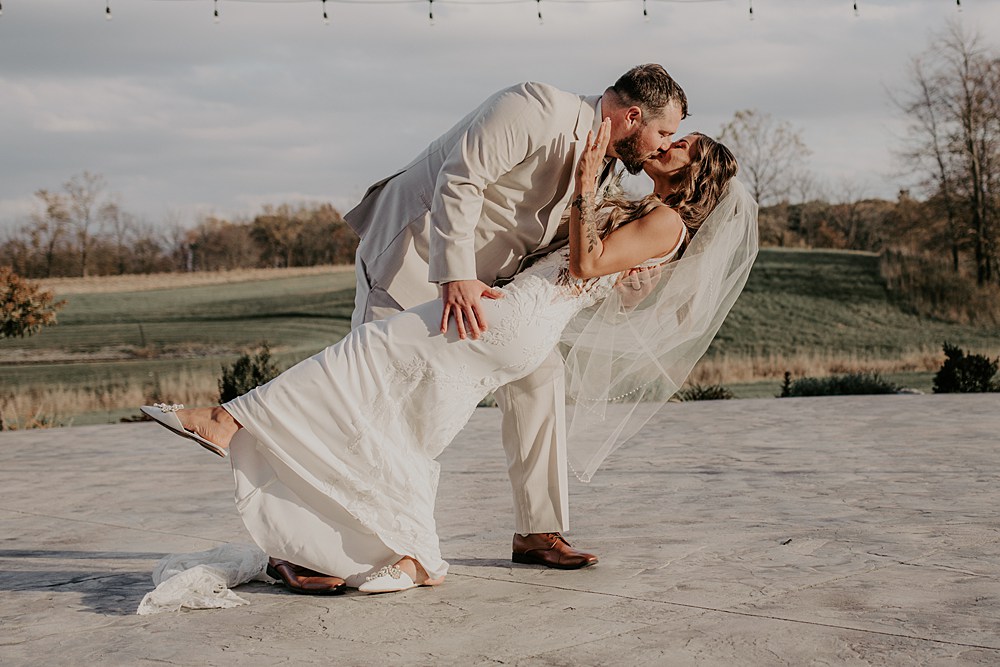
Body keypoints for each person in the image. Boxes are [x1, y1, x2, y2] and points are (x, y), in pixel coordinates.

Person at [143, 127, 759, 595]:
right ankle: (393, 550)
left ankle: (229, 423)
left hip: (518, 318)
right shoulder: (652, 213)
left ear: (697, 174)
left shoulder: (669, 221)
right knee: (409, 421)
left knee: (370, 349)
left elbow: (589, 265)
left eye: (683, 148)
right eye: (672, 137)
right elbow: (605, 270)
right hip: (515, 311)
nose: (669, 145)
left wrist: (579, 189)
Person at [342, 64, 688, 574]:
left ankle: (537, 530)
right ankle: (316, 542)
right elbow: (459, 179)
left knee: (540, 374)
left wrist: (626, 276)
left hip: (495, 283)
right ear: (633, 116)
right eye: (663, 133)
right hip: (415, 252)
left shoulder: (606, 163)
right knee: (371, 392)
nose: (663, 146)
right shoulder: (535, 107)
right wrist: (454, 274)